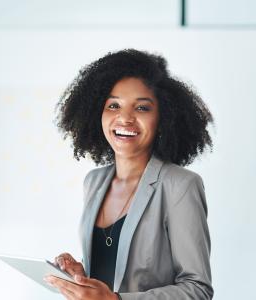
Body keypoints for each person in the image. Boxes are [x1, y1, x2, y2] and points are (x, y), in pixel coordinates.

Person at [44, 49, 214, 300]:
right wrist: (80, 275)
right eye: (113, 105)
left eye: (142, 108)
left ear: (162, 118)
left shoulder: (180, 185)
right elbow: (114, 273)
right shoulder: (94, 181)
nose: (125, 118)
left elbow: (198, 289)